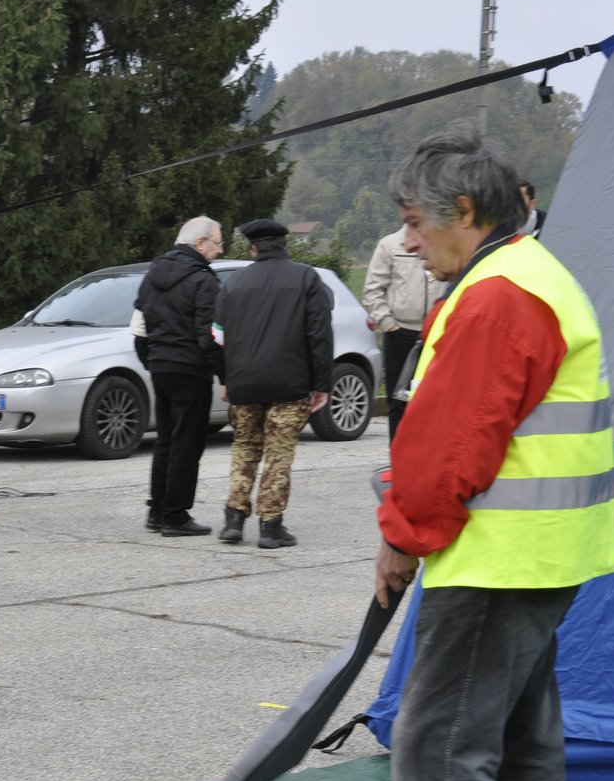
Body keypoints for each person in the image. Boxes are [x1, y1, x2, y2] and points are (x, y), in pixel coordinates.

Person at [359, 122, 614, 781]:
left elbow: (450, 445)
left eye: (414, 221)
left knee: (438, 746)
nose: (406, 240)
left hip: (496, 560)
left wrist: (401, 538)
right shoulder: (535, 277)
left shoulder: (497, 295)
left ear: (464, 211)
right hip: (548, 556)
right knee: (521, 747)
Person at [214, 219, 332, 548]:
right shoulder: (306, 278)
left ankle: (234, 521)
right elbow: (319, 334)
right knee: (278, 455)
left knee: (245, 448)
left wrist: (226, 378)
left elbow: (216, 336)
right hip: (290, 384)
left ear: (253, 248)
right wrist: (321, 383)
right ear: (284, 245)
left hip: (244, 384)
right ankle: (270, 526)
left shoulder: (234, 284)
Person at [134, 216, 223, 535]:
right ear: (200, 244)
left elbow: (140, 328)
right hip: (190, 368)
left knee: (166, 440)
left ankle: (156, 511)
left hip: (160, 366)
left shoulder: (151, 275)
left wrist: (152, 360)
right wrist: (223, 373)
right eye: (217, 243)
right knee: (187, 443)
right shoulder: (204, 281)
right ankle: (175, 515)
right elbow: (209, 335)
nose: (220, 250)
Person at [361, 224, 440, 440]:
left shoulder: (441, 240)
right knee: (398, 401)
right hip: (401, 332)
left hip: (438, 332)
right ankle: (398, 462)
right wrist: (389, 324)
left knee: (434, 401)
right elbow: (372, 290)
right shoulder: (390, 244)